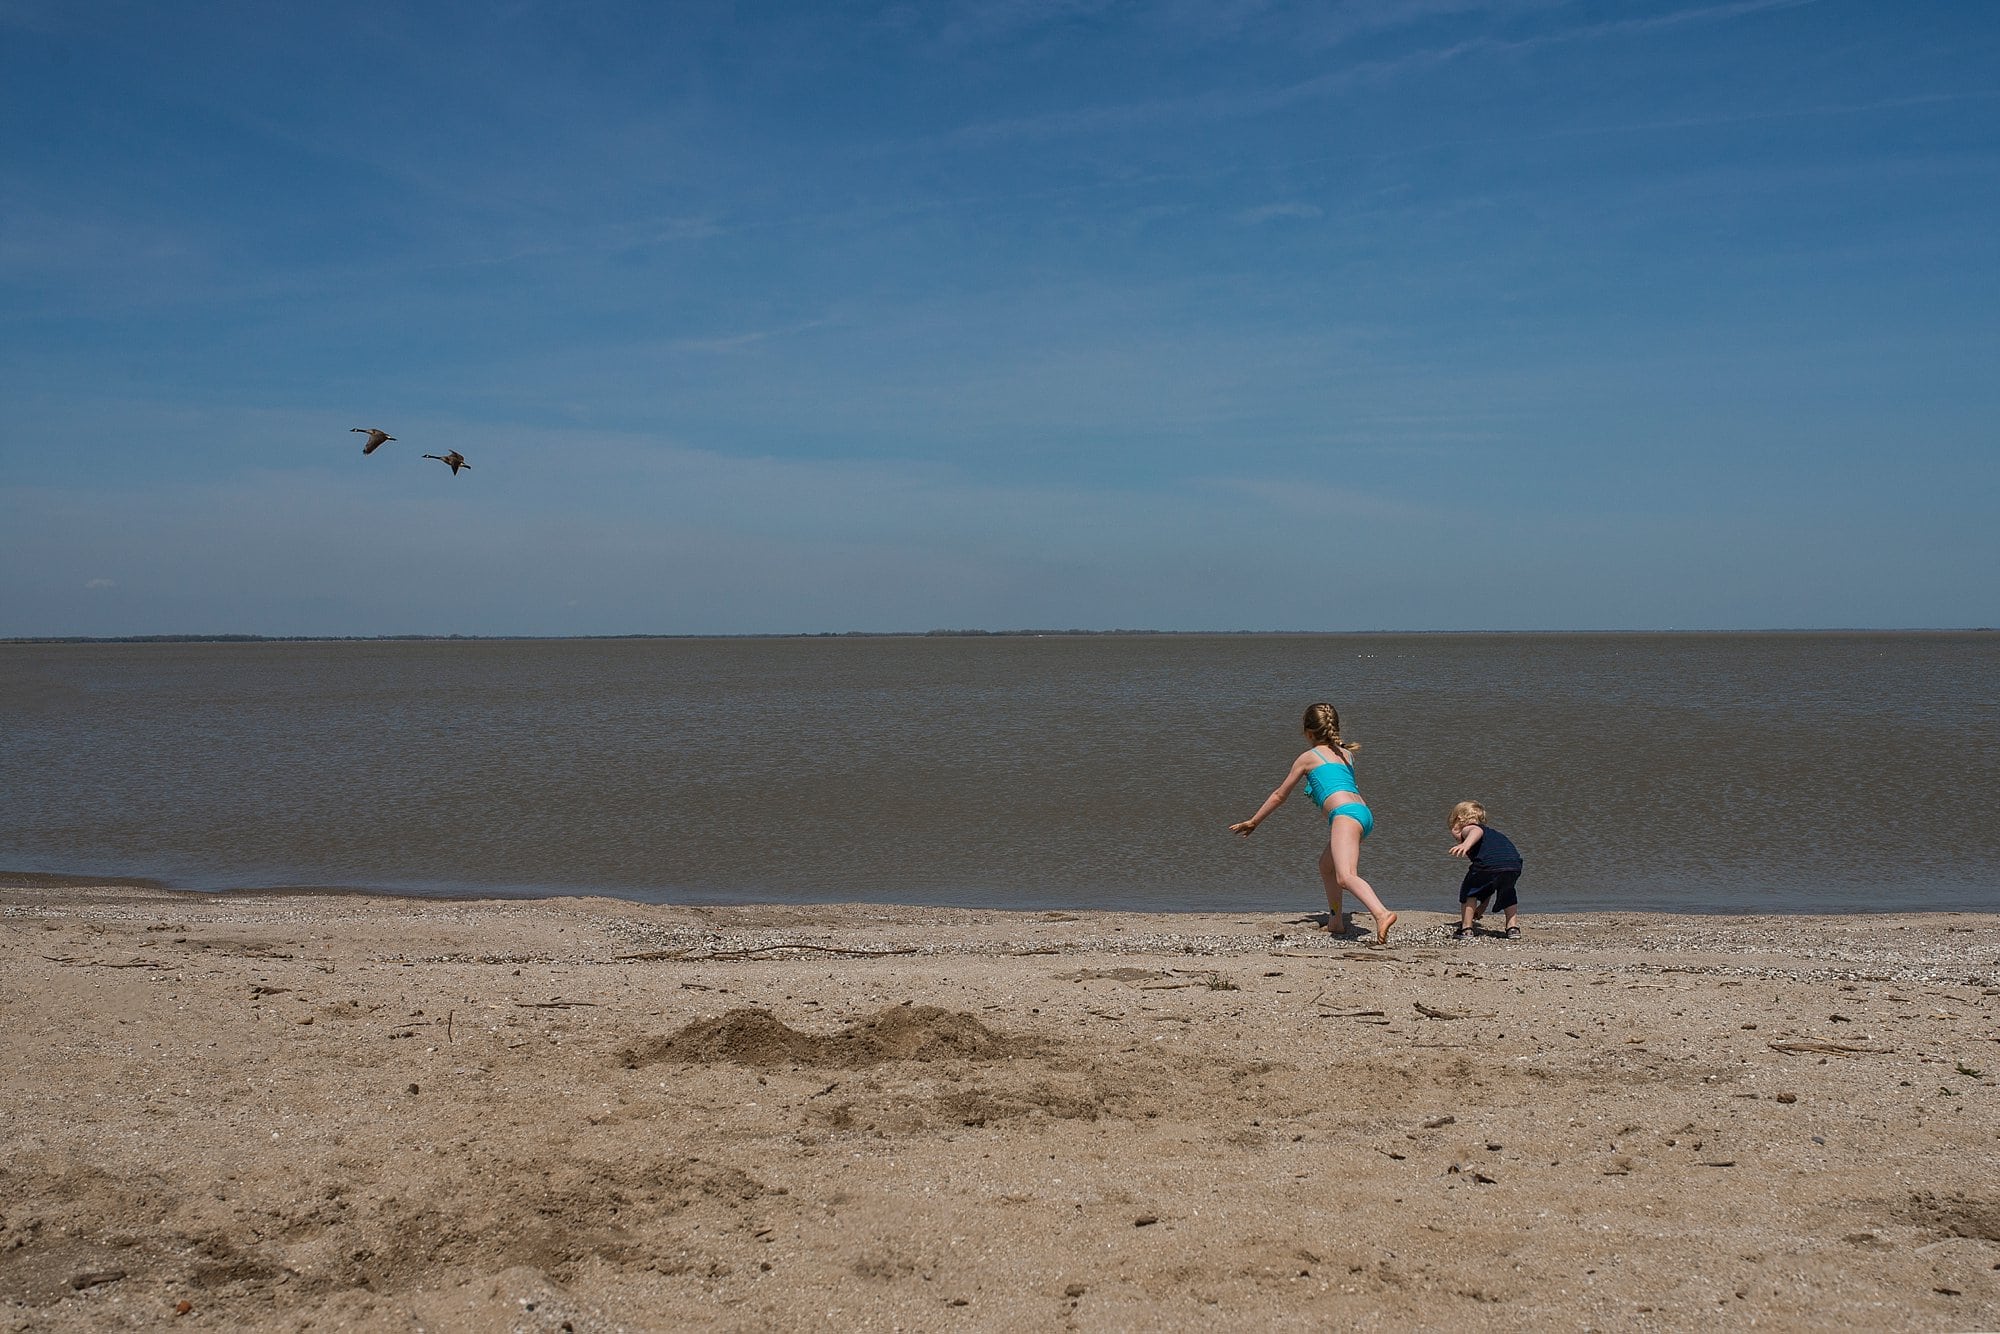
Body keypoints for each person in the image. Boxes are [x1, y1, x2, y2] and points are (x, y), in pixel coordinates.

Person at [1231, 702, 1397, 944]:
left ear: (1308, 733)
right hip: (1362, 814)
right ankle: (1336, 922)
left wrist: (1254, 821)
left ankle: (1382, 914)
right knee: (1326, 866)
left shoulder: (1308, 758)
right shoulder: (1346, 754)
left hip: (1345, 816)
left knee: (1345, 876)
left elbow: (1280, 795)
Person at [1448, 800, 1524, 939]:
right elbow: (1489, 882)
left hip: (1489, 864)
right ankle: (1512, 928)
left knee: (1469, 890)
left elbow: (1475, 831)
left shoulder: (1470, 828)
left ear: (1459, 819)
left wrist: (1465, 844)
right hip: (1513, 864)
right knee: (1507, 892)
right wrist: (1483, 906)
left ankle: (1466, 928)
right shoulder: (1492, 836)